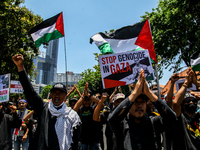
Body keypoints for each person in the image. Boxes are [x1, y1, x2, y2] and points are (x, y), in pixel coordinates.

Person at [12, 54, 81, 150]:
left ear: (65, 96)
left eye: (60, 93)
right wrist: (20, 66)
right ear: (51, 95)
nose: (57, 95)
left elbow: (76, 141)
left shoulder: (72, 116)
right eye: (54, 93)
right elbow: (29, 91)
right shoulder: (43, 108)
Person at [108, 69, 177, 150]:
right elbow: (112, 119)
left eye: (143, 102)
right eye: (135, 102)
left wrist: (149, 93)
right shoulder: (122, 125)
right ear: (128, 105)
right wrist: (135, 92)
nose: (140, 105)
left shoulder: (153, 123)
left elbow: (172, 118)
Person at [173, 67, 200, 150]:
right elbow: (176, 103)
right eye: (187, 100)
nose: (191, 102)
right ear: (182, 103)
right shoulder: (180, 118)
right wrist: (186, 83)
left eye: (194, 100)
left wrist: (197, 83)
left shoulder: (198, 117)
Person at [73, 82, 101, 150]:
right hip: (83, 141)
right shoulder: (80, 110)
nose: (87, 102)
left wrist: (90, 96)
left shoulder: (94, 108)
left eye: (88, 100)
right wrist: (83, 95)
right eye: (85, 100)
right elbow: (74, 109)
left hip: (94, 140)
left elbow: (101, 104)